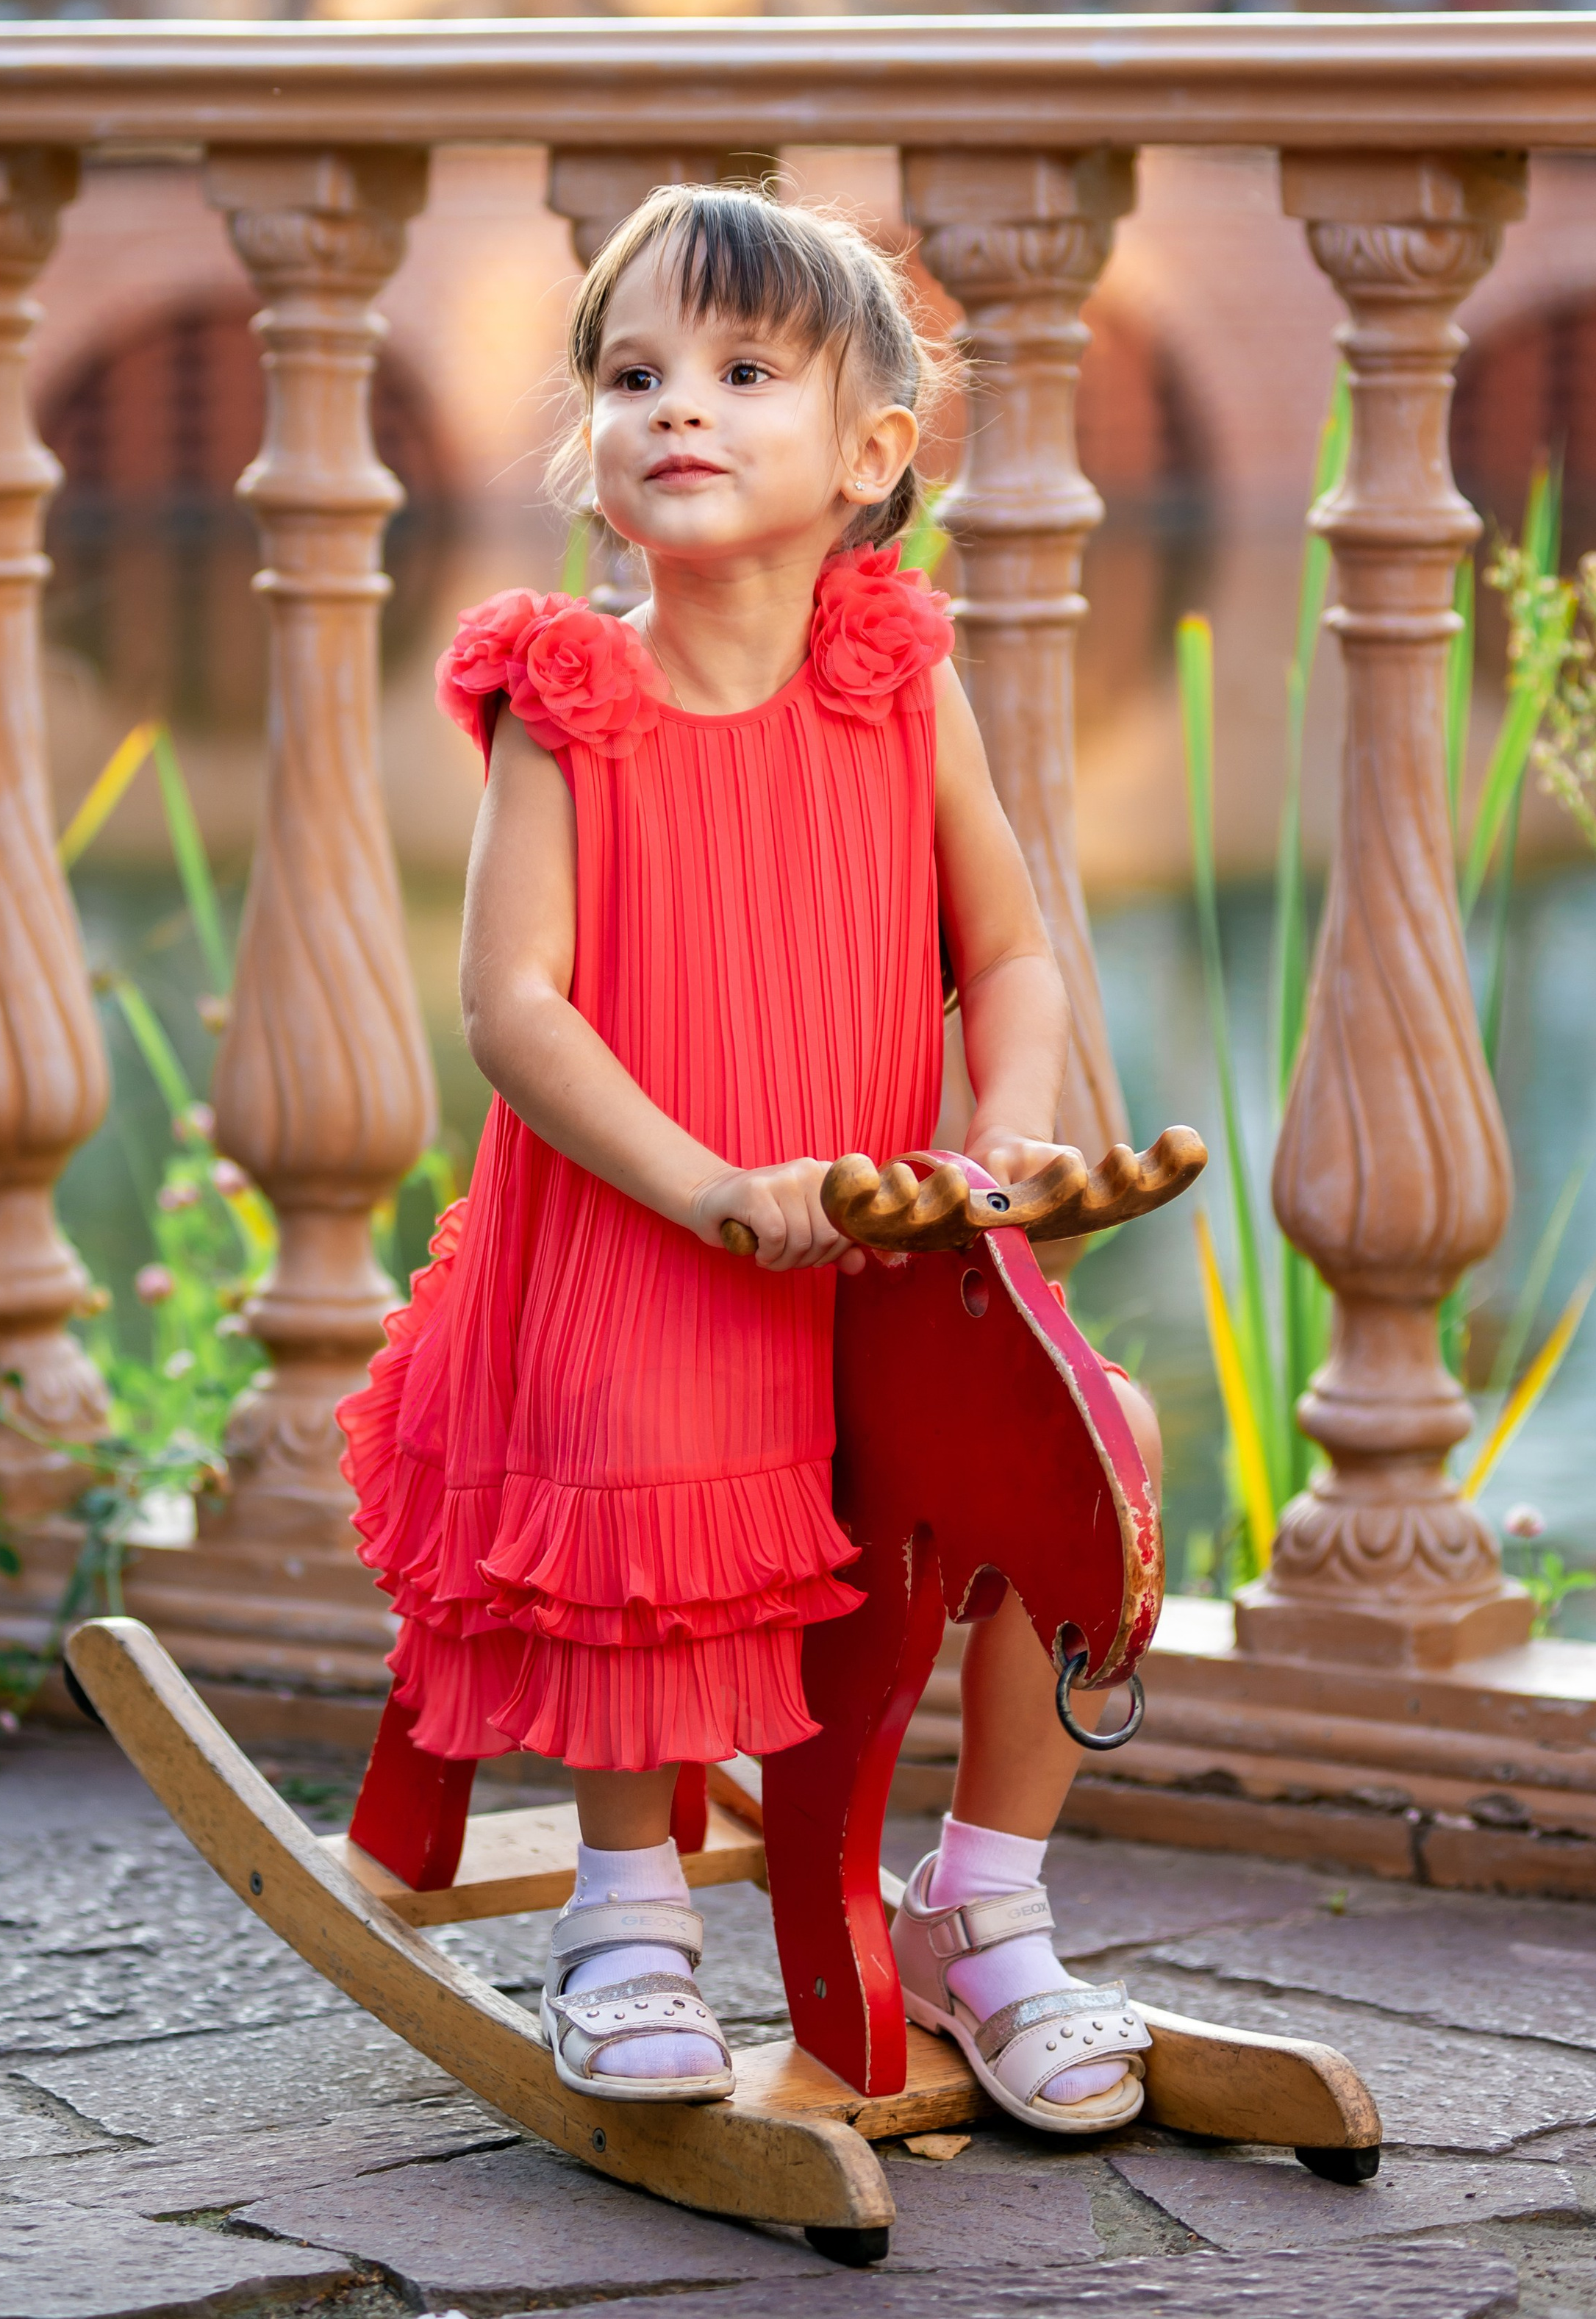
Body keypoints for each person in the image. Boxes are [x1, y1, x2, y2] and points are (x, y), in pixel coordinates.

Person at [340, 185, 1160, 2132]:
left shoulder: (896, 680)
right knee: (647, 1443)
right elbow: (514, 1006)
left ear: (871, 455)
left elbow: (1010, 952)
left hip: (875, 1243)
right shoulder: (570, 698)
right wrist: (709, 1185)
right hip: (645, 1244)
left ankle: (983, 1903)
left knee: (1099, 1441)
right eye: (635, 376)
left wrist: (1007, 1128)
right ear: (593, 441)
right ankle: (628, 1911)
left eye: (740, 372)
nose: (677, 409)